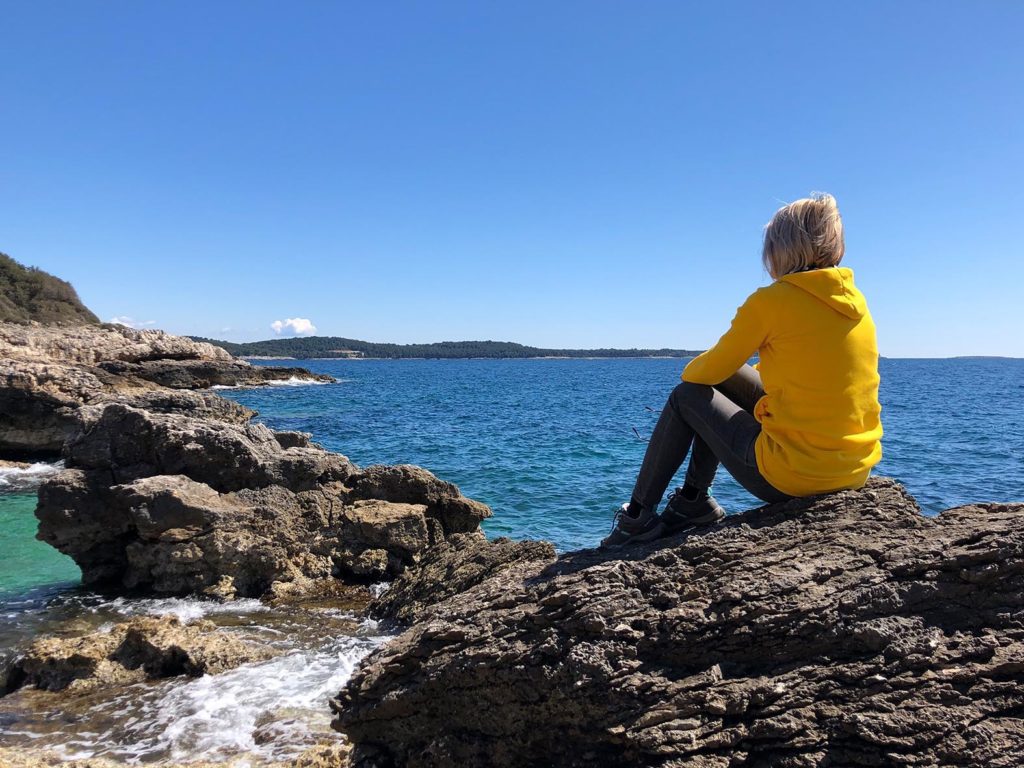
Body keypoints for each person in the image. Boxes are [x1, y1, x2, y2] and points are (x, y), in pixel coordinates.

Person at [601, 193, 882, 549]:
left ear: (779, 249)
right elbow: (807, 370)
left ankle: (638, 518)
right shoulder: (854, 304)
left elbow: (700, 374)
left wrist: (699, 368)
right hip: (853, 470)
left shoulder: (772, 301)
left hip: (795, 476)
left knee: (688, 395)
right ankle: (692, 503)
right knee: (723, 378)